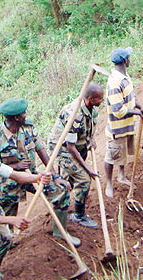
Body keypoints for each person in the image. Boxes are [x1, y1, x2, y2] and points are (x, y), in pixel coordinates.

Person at [0, 98, 81, 247]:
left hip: (32, 176)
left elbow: (40, 149)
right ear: (16, 118)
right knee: (6, 220)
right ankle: (6, 245)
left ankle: (60, 231)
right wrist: (14, 166)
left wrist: (54, 175)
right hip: (7, 185)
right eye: (23, 113)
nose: (26, 115)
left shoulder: (28, 127)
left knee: (60, 190)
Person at [48, 82, 104, 229]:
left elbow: (90, 126)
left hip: (78, 146)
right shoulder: (75, 115)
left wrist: (91, 139)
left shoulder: (93, 109)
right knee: (84, 179)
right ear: (90, 99)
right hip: (63, 149)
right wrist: (88, 169)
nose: (102, 101)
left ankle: (61, 208)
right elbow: (70, 146)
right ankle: (79, 215)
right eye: (99, 98)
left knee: (69, 180)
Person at [105, 47, 143, 198]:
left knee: (123, 152)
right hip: (116, 128)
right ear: (125, 60)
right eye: (128, 57)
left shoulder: (125, 77)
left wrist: (141, 107)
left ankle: (121, 176)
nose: (130, 59)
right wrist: (138, 113)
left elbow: (132, 97)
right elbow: (118, 110)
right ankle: (109, 184)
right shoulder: (114, 83)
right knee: (112, 156)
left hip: (127, 126)